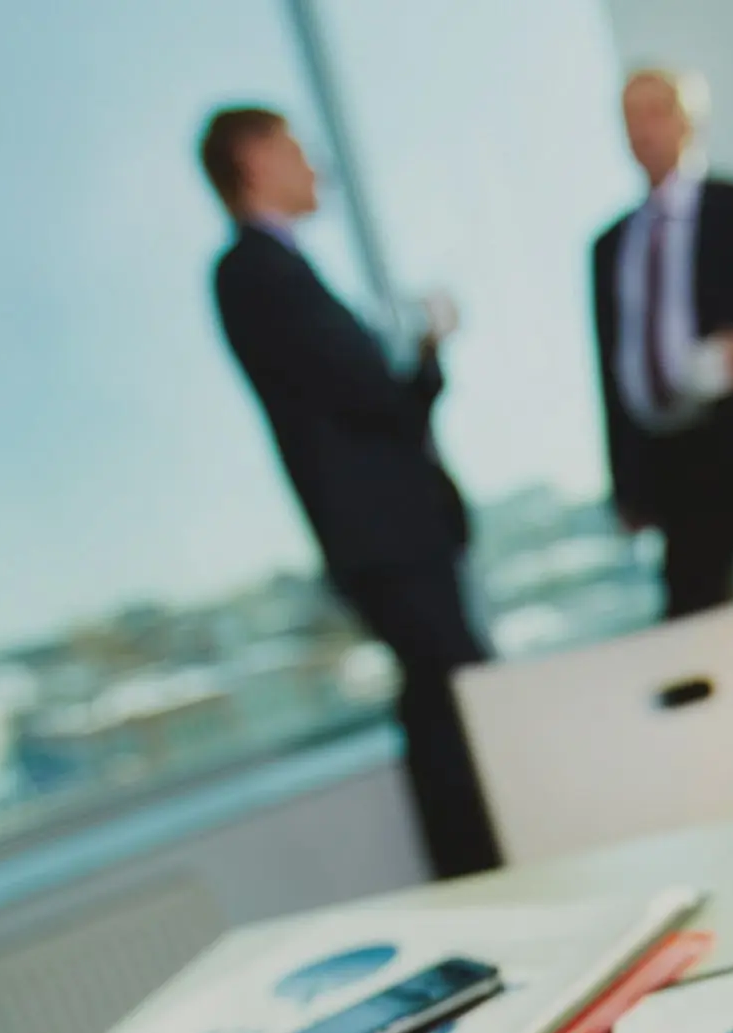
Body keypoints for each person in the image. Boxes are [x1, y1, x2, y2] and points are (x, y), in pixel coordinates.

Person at [199, 107, 501, 879]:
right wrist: (428, 351)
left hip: (386, 536)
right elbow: (375, 397)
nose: (316, 167)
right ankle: (486, 876)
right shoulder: (257, 271)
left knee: (445, 703)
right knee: (461, 703)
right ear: (254, 160)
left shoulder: (272, 272)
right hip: (385, 538)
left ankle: (482, 875)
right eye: (297, 150)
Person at [591, 69, 733, 619]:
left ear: (688, 121)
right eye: (630, 118)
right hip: (675, 466)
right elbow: (610, 370)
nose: (642, 130)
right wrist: (627, 483)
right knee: (696, 623)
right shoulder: (608, 247)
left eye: (655, 111)